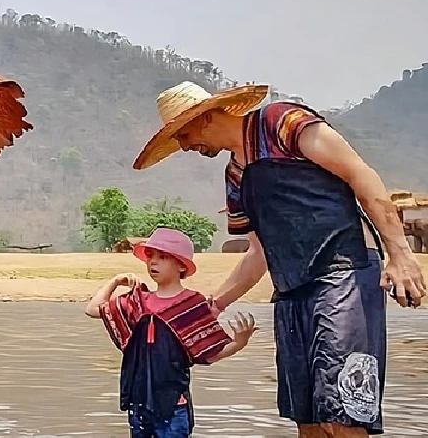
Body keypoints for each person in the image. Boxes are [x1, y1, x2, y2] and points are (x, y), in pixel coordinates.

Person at [133, 81, 426, 437]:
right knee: (307, 419)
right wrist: (215, 305)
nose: (183, 146)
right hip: (290, 290)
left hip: (343, 274)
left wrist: (399, 253)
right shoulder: (235, 177)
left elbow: (358, 172)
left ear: (206, 117)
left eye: (183, 134)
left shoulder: (281, 122)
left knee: (342, 413)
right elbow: (258, 253)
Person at [86, 227, 255, 438]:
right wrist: (115, 282)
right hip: (140, 403)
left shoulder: (192, 305)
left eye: (162, 257)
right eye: (150, 256)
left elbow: (209, 354)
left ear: (181, 265)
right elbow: (92, 309)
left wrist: (238, 343)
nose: (153, 262)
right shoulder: (138, 302)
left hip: (175, 405)